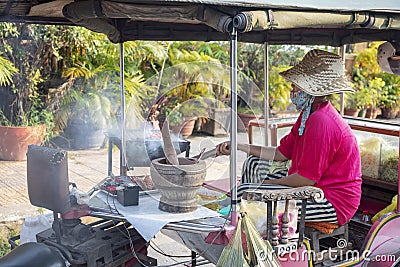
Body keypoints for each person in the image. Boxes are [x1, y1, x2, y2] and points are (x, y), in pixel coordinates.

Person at [216, 49, 362, 226]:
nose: (292, 89)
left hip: (332, 201)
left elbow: (306, 179)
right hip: (312, 185)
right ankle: (237, 214)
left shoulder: (322, 121)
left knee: (249, 191)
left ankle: (230, 221)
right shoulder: (308, 114)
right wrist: (239, 146)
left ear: (310, 88)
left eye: (296, 85)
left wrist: (266, 186)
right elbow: (280, 153)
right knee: (253, 164)